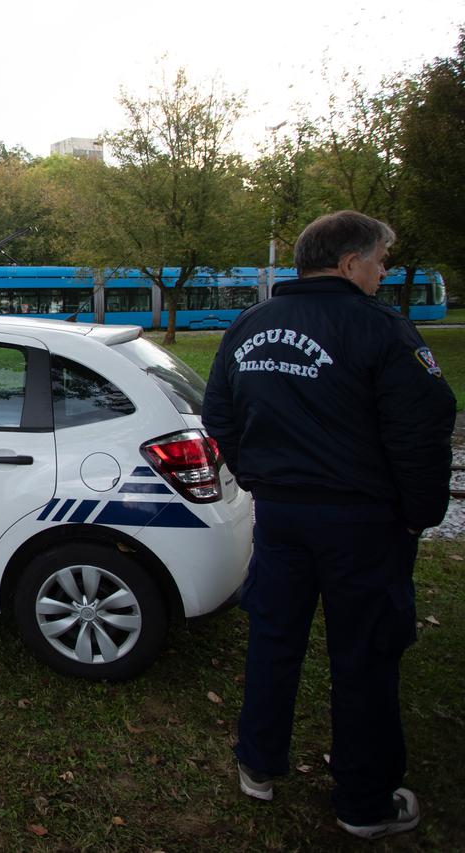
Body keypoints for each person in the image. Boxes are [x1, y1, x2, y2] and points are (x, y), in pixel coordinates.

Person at [201, 210, 456, 840]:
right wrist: (417, 517)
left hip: (283, 519)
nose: (383, 272)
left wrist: (261, 476)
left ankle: (257, 764)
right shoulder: (382, 331)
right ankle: (363, 801)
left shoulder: (249, 325)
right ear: (348, 264)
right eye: (379, 261)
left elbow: (220, 415)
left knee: (274, 639)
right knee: (365, 656)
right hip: (362, 525)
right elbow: (422, 433)